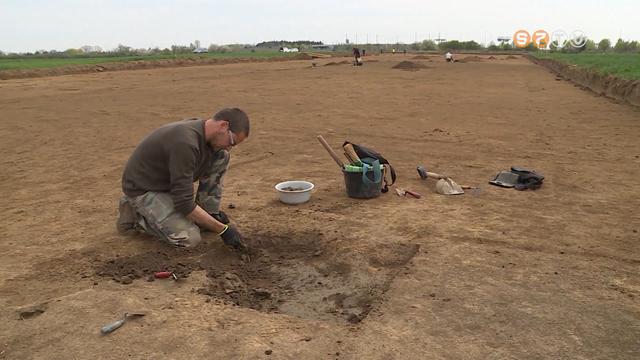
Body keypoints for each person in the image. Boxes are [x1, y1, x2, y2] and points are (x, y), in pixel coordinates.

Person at [116, 108, 250, 250]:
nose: (229, 147)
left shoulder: (205, 134)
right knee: (189, 238)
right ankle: (136, 216)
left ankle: (208, 212)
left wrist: (210, 217)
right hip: (144, 189)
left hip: (167, 184)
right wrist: (223, 230)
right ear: (223, 126)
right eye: (231, 142)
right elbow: (184, 203)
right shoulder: (185, 142)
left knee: (221, 156)